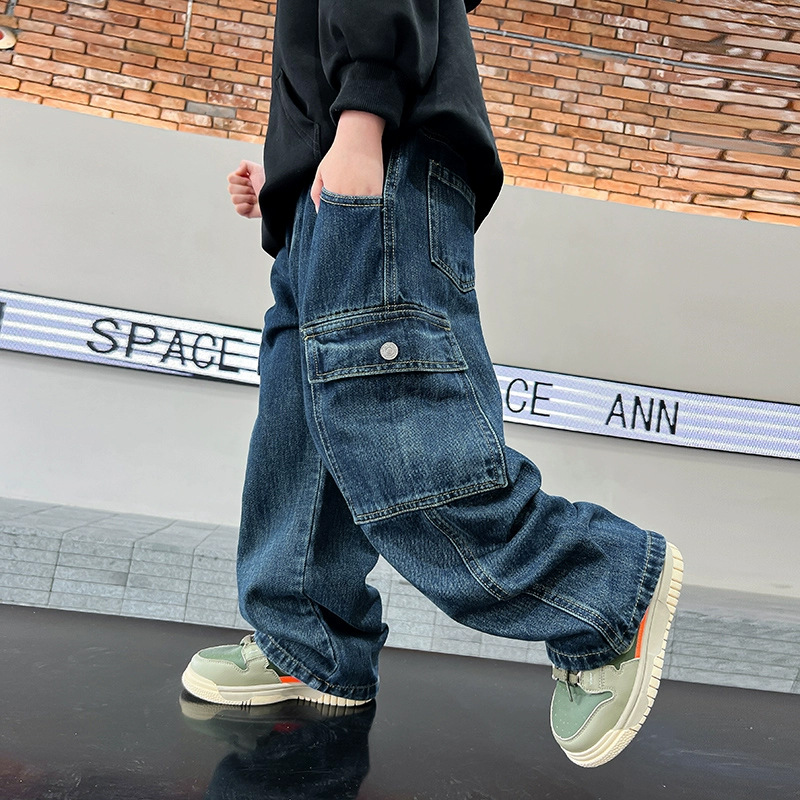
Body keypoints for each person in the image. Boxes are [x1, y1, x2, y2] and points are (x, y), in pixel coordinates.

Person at [181, 0, 683, 768]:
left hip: (383, 153)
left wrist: (362, 120)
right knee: (299, 440)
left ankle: (605, 590)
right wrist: (287, 168)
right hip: (323, 186)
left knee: (401, 433)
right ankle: (308, 646)